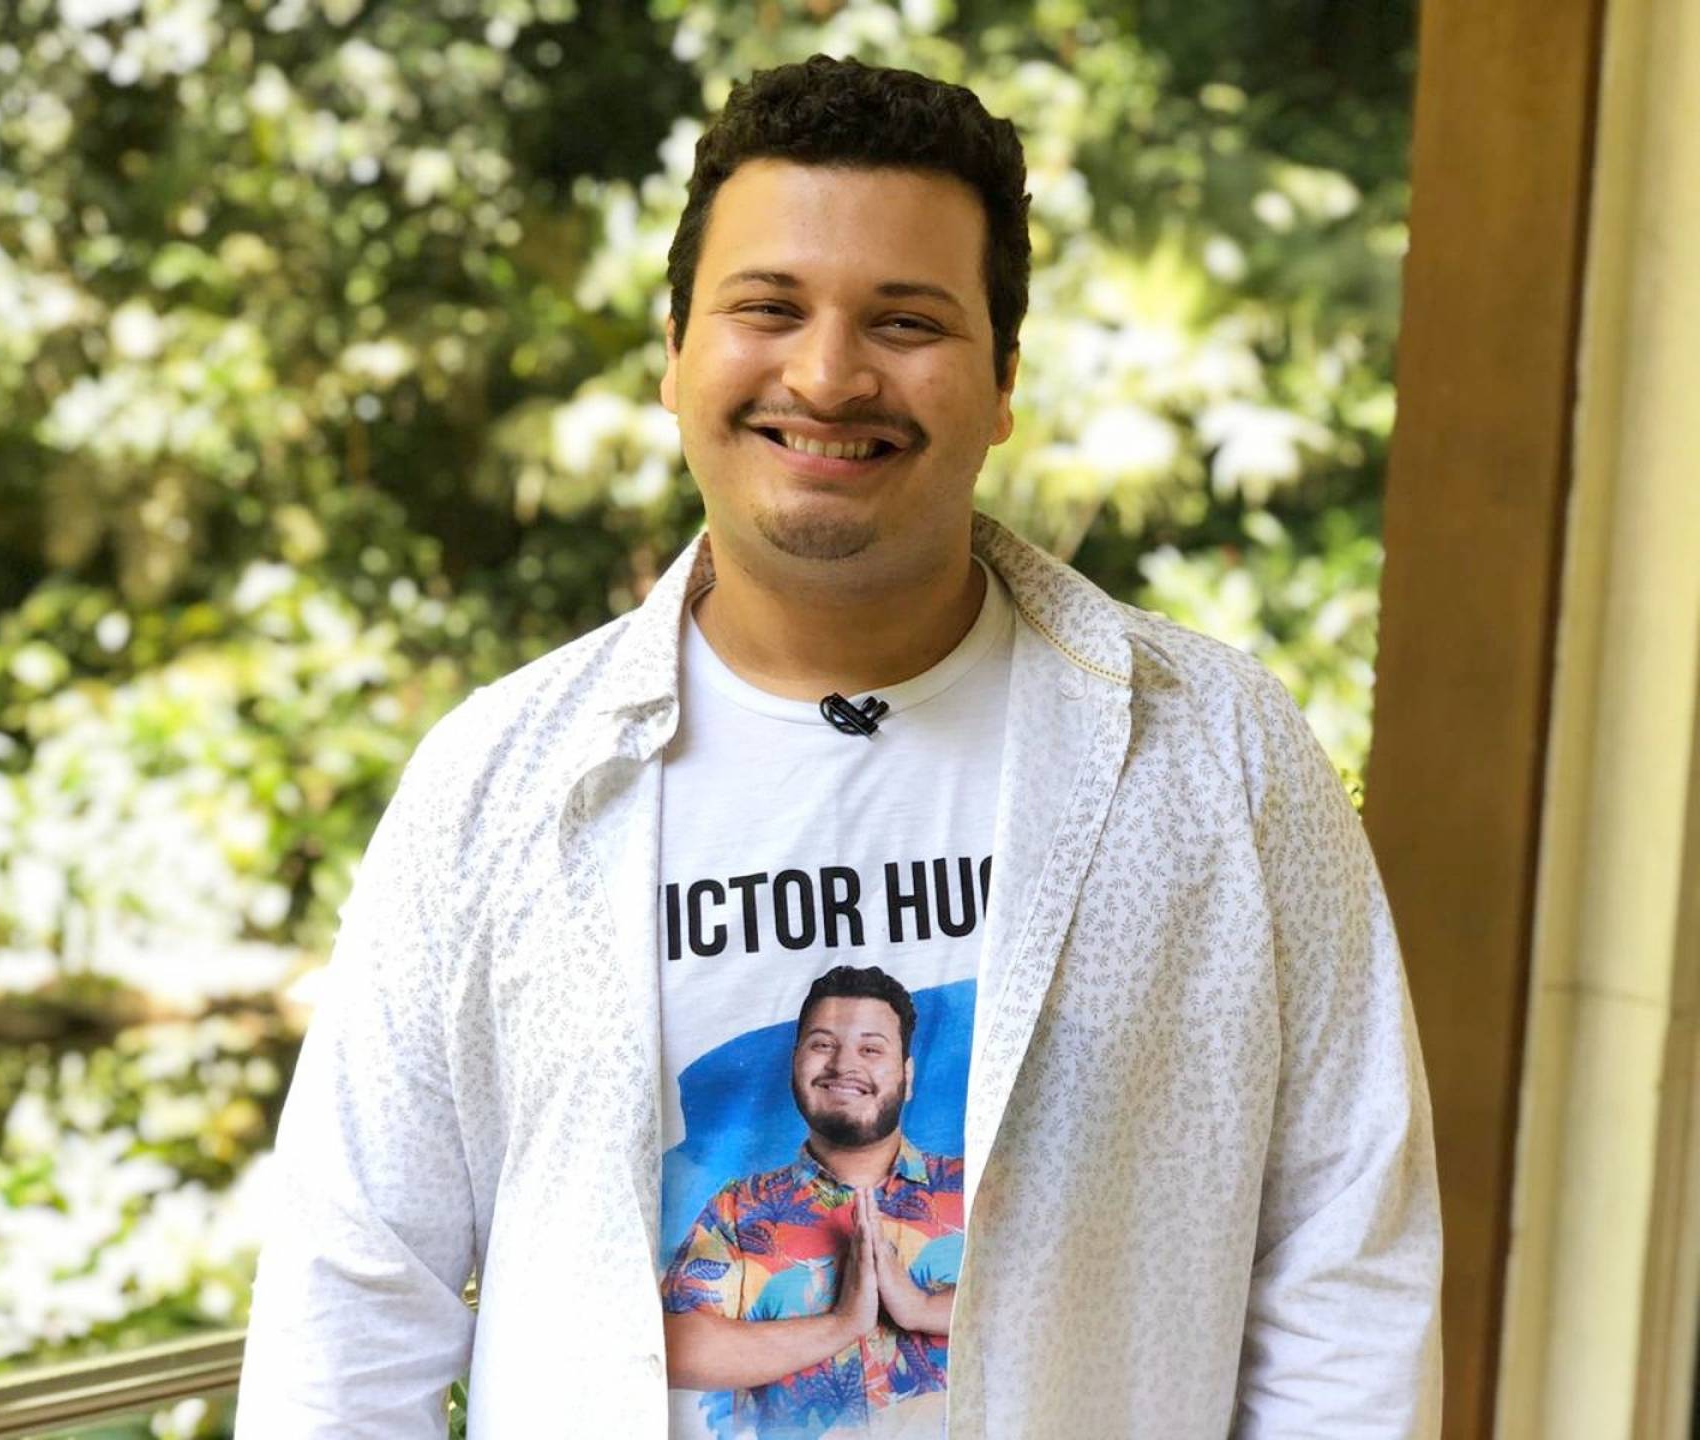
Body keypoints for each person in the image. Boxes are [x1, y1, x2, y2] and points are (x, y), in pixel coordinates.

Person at [238, 54, 1442, 1439]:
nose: (825, 375)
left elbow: (1348, 1270)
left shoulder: (1221, 754)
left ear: (1003, 382)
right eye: (769, 307)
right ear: (675, 352)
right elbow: (353, 1307)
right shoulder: (494, 785)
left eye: (906, 321)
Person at [661, 966, 964, 1439]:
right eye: (823, 1044)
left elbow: (1051, 1305)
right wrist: (841, 1324)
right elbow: (674, 1350)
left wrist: (922, 1308)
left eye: (870, 1049)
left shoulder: (974, 1189)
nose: (844, 1065)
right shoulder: (738, 1211)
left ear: (907, 1076)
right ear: (795, 1065)